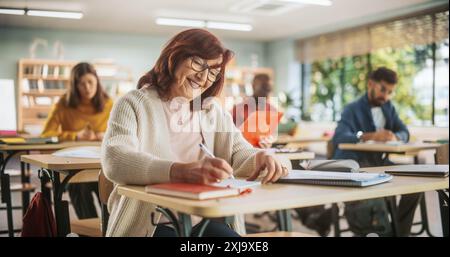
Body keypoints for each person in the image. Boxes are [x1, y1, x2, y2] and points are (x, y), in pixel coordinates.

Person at [101, 29, 289, 237]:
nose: (203, 76)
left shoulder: (211, 110)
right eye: (199, 62)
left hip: (202, 221)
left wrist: (261, 157)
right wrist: (179, 172)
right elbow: (115, 160)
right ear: (175, 56)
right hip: (152, 225)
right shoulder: (133, 103)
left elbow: (239, 153)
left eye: (213, 72)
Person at [332, 67, 421, 236]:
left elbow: (404, 132)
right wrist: (370, 136)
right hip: (355, 162)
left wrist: (394, 136)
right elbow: (340, 136)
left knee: (417, 184)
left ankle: (399, 233)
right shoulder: (352, 108)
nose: (385, 96)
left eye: (390, 92)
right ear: (370, 84)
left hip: (377, 162)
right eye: (382, 89)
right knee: (377, 188)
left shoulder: (388, 108)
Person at [41, 62, 113, 219]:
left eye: (90, 82)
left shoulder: (109, 103)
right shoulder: (63, 104)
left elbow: (119, 133)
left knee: (111, 185)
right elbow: (46, 134)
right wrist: (75, 136)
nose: (87, 88)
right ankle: (90, 232)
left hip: (100, 164)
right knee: (78, 186)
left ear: (97, 82)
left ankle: (112, 229)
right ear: (74, 86)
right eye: (82, 83)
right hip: (73, 165)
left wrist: (105, 135)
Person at [231, 74, 278, 148]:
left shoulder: (272, 110)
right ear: (253, 86)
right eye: (263, 88)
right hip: (242, 151)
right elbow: (230, 136)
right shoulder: (238, 109)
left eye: (269, 89)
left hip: (263, 150)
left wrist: (269, 141)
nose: (266, 92)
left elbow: (272, 135)